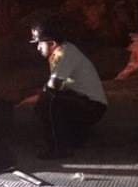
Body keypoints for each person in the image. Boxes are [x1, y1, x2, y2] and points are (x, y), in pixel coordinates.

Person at [24, 22, 108, 160]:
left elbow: (54, 85)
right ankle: (75, 137)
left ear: (51, 42)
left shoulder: (64, 53)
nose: (38, 47)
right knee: (45, 100)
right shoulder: (62, 51)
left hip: (92, 106)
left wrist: (30, 97)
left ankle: (58, 148)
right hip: (84, 102)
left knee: (48, 99)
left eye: (40, 43)